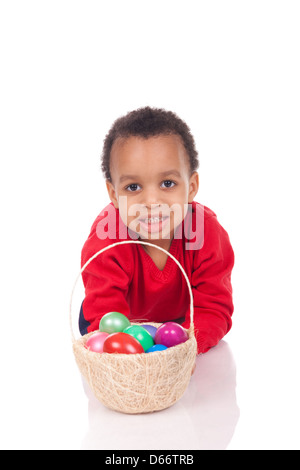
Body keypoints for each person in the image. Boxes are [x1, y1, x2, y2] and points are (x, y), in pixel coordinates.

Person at [79, 107, 234, 354]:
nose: (151, 201)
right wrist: (130, 352)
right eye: (133, 187)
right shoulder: (106, 239)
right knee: (100, 334)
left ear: (192, 186)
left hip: (180, 324)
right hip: (118, 319)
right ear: (113, 195)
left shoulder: (207, 233)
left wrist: (186, 347)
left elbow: (214, 307)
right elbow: (105, 314)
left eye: (168, 183)